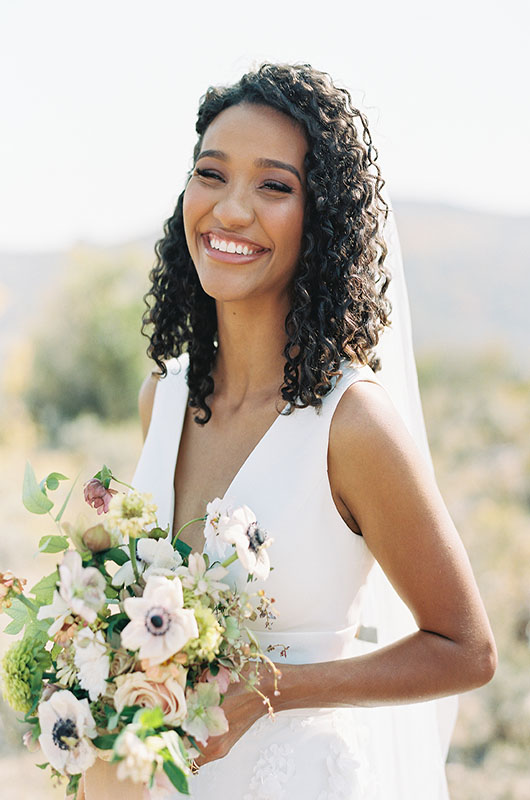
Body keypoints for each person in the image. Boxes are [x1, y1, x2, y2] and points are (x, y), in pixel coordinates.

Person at [82, 62, 496, 799]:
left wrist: (271, 690)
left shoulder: (351, 423)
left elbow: (465, 650)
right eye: (212, 174)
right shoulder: (164, 397)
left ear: (322, 219)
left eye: (274, 186)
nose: (231, 210)